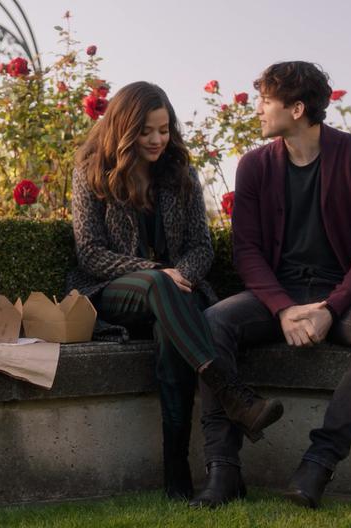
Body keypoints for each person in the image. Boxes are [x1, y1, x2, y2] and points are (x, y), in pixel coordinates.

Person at [191, 62, 351, 509]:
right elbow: (246, 251)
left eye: (266, 101)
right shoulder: (253, 166)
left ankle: (318, 463)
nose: (259, 110)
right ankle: (222, 469)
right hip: (278, 293)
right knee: (211, 324)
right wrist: (284, 309)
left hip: (344, 295)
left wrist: (331, 308)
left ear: (298, 108)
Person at [67, 81, 284, 501]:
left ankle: (177, 478)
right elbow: (90, 253)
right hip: (113, 291)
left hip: (175, 295)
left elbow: (203, 247)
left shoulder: (181, 174)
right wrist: (157, 271)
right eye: (146, 131)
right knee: (159, 285)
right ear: (124, 129)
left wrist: (178, 273)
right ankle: (229, 390)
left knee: (172, 331)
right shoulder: (91, 170)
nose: (157, 140)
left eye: (164, 130)